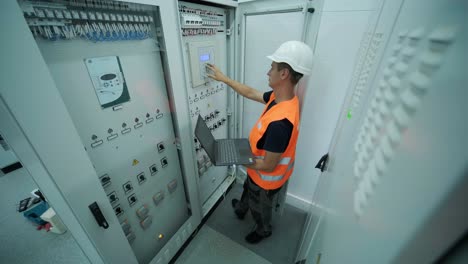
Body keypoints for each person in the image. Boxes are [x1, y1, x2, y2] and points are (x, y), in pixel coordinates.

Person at [206, 41, 313, 244]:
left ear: (284, 74)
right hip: (255, 171)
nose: (268, 72)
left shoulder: (281, 123)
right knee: (248, 189)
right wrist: (223, 78)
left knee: (260, 206)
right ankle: (241, 208)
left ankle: (263, 229)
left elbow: (268, 165)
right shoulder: (281, 98)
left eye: (272, 68)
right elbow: (250, 92)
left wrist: (236, 157)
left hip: (266, 180)